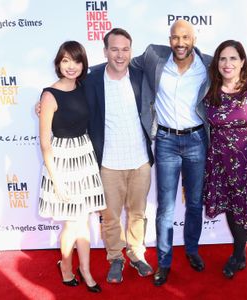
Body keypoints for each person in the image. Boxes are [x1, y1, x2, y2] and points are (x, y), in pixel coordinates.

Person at [131, 20, 212, 286]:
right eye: (176, 38)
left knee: (195, 202)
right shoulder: (154, 56)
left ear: (194, 39)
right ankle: (164, 262)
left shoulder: (209, 65)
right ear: (169, 39)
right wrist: (76, 82)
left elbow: (238, 75)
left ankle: (191, 250)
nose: (180, 43)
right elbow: (122, 66)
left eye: (185, 37)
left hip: (197, 139)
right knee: (165, 207)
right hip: (165, 140)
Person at [83, 28, 154, 284]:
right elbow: (69, 99)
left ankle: (136, 253)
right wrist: (45, 103)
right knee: (111, 216)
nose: (120, 55)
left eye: (125, 49)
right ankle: (115, 257)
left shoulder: (141, 76)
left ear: (130, 51)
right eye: (114, 49)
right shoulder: (91, 79)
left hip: (140, 161)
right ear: (105, 51)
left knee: (137, 213)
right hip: (108, 163)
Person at [203, 40, 247, 279]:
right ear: (217, 63)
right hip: (221, 159)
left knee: (246, 206)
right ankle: (240, 253)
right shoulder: (209, 89)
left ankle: (237, 254)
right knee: (231, 206)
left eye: (233, 58)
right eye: (222, 58)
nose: (227, 63)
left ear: (242, 61)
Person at [38, 41, 105, 293]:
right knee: (73, 222)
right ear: (58, 63)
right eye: (65, 60)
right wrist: (56, 180)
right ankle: (68, 268)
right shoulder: (49, 95)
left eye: (76, 61)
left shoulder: (83, 87)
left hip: (84, 157)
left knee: (83, 220)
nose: (71, 66)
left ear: (82, 64)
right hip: (62, 162)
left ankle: (84, 269)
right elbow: (45, 143)